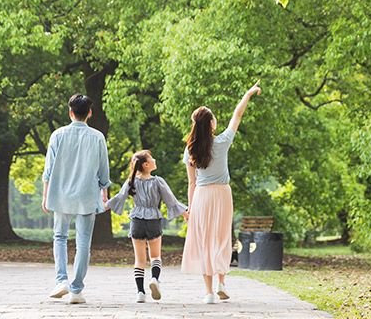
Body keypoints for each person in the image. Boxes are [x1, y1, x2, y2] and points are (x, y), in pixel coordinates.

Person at [181, 81, 262, 304]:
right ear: (212, 124)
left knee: (205, 241)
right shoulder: (223, 141)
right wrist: (248, 93)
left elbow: (191, 183)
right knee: (221, 239)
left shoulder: (190, 150)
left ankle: (208, 293)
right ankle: (222, 283)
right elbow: (238, 114)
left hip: (202, 197)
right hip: (223, 195)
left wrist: (191, 208)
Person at [42, 94, 111, 304]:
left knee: (60, 237)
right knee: (83, 243)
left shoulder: (57, 135)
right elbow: (103, 171)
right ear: (89, 113)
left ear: (70, 112)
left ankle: (61, 280)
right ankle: (76, 289)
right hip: (87, 195)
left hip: (61, 194)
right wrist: (104, 191)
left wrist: (45, 195)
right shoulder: (98, 136)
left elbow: (48, 169)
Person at [105, 150, 188, 303]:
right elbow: (171, 201)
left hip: (136, 221)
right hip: (153, 221)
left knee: (139, 260)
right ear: (146, 164)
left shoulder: (131, 181)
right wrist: (185, 213)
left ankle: (140, 293)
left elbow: (119, 197)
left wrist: (104, 206)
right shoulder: (158, 181)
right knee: (155, 256)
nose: (155, 159)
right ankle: (155, 279)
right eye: (152, 158)